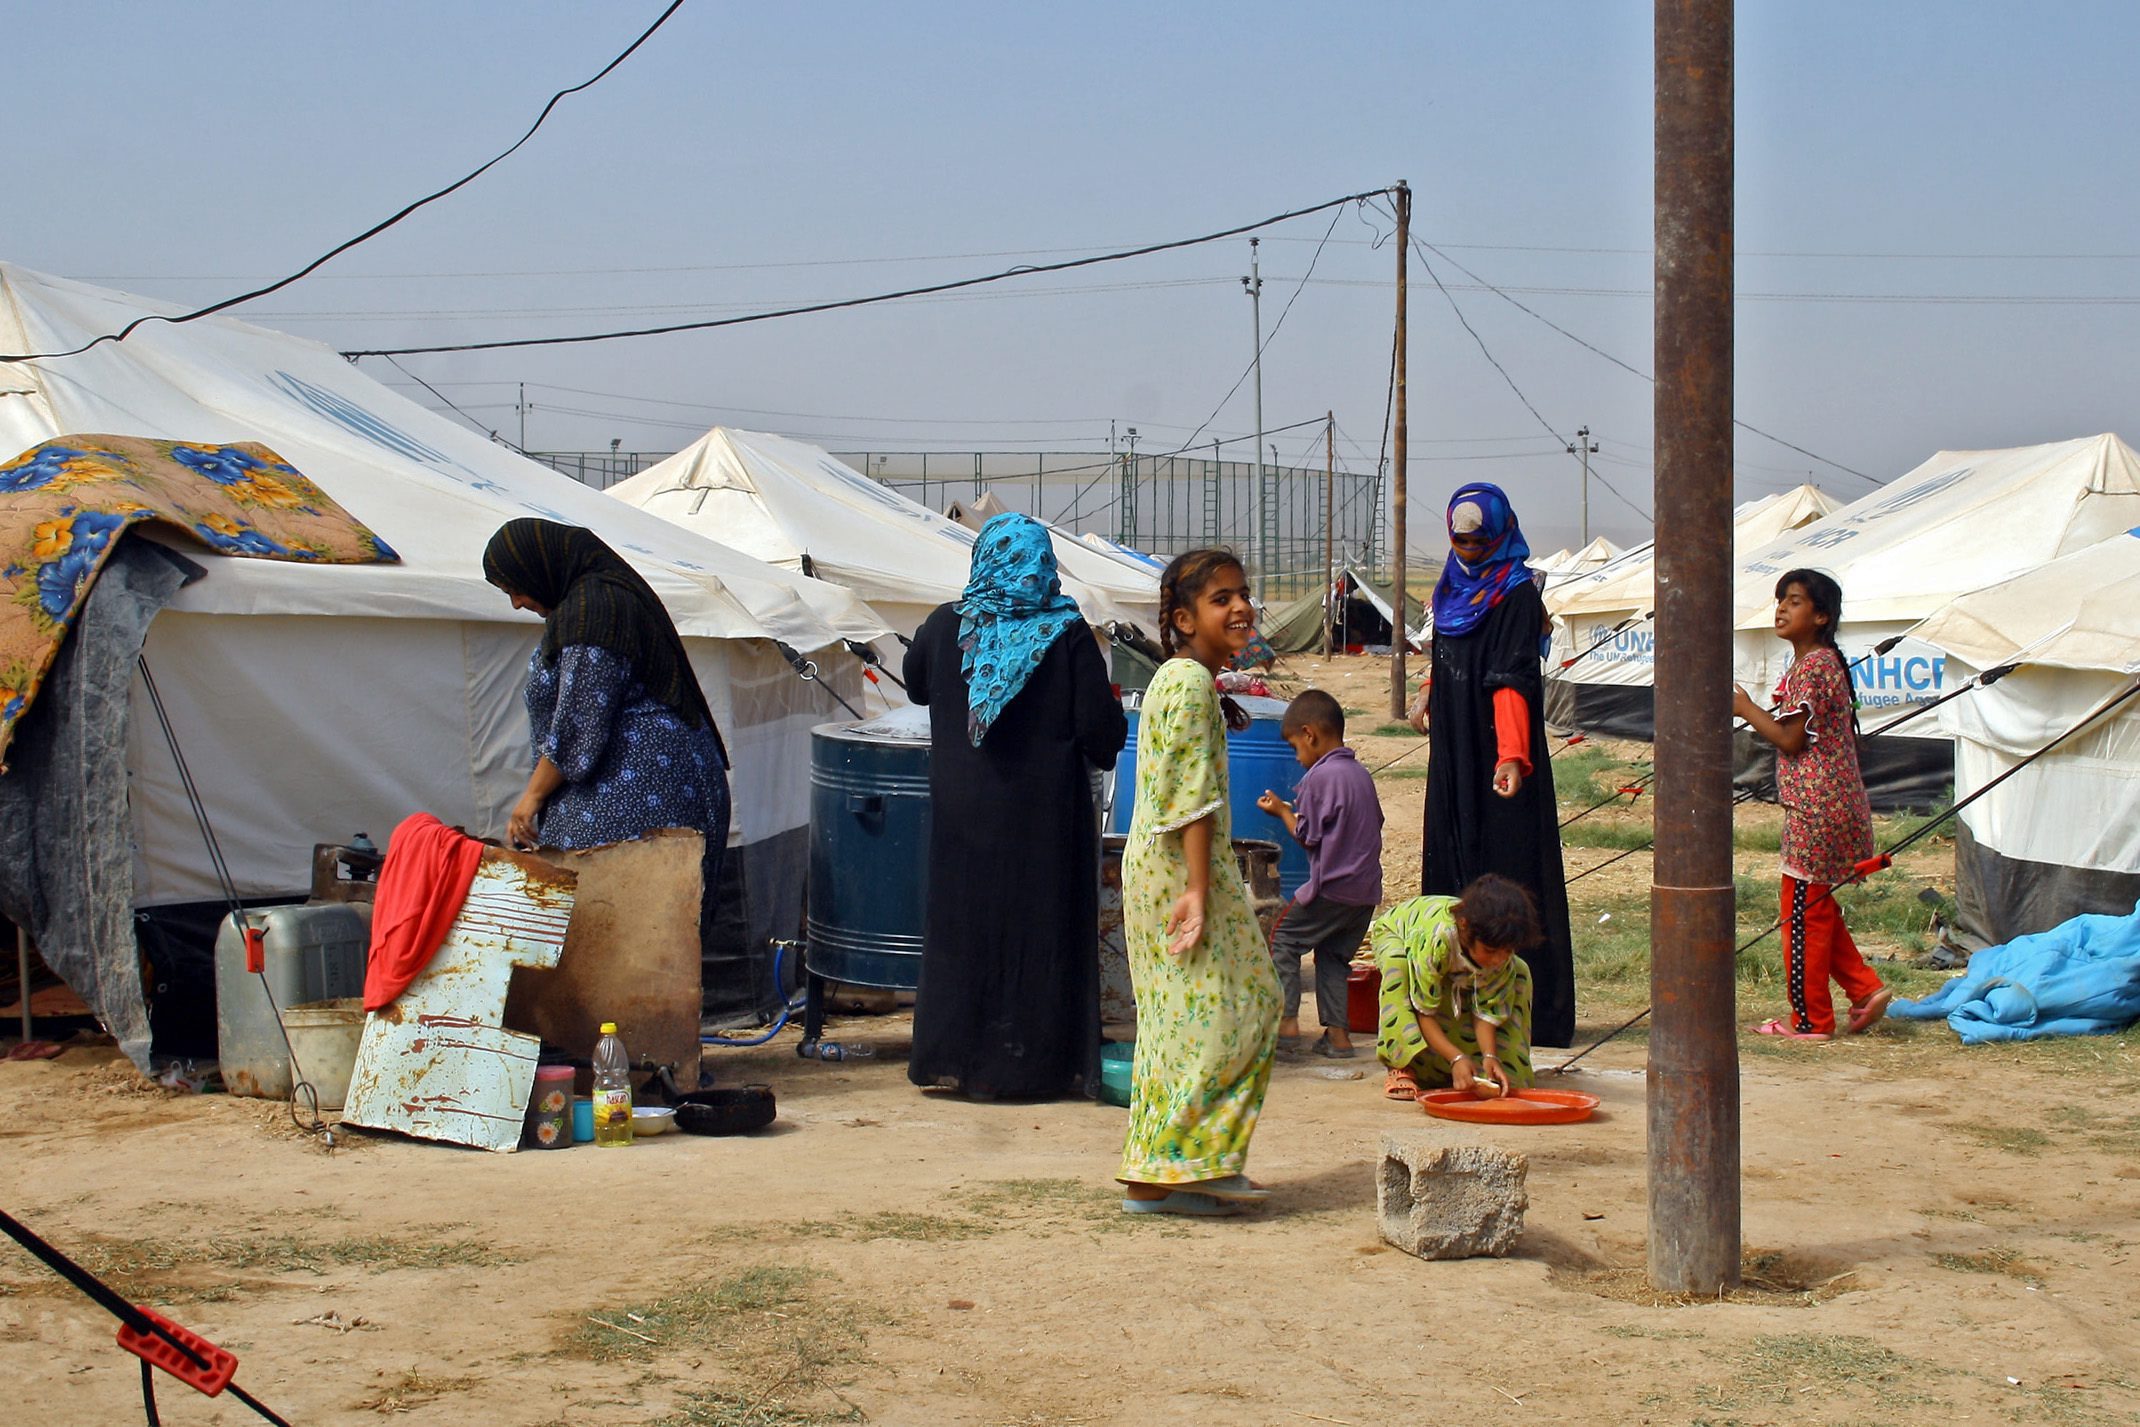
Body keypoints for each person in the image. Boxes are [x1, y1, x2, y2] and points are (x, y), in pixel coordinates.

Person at [903, 513, 1128, 1099]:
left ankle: (954, 1060)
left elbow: (916, 684)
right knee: (1040, 936)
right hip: (1043, 828)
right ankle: (1033, 1068)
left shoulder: (942, 627)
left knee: (962, 932)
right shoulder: (1068, 634)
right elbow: (1102, 736)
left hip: (961, 826)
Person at [1117, 548, 1282, 1217]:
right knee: (1243, 1003)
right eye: (1221, 599)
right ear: (1184, 618)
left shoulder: (1187, 679)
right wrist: (1196, 887)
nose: (1240, 607)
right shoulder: (1185, 682)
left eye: (1242, 594)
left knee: (1177, 1021)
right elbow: (1189, 793)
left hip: (1173, 868)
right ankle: (1192, 1158)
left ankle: (1154, 1175)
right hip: (1179, 873)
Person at [481, 517, 732, 903]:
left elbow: (580, 719)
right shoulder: (596, 600)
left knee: (623, 931)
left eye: (515, 589)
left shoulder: (593, 610)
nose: (517, 603)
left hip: (638, 802)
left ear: (537, 568)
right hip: (656, 791)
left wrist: (530, 798)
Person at [1408, 482, 1575, 1048]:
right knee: (1452, 853)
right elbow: (1446, 650)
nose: (1470, 549)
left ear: (1501, 533)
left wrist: (1511, 755)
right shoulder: (1451, 585)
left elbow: (1511, 678)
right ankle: (1449, 1004)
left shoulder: (1517, 593)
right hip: (1452, 747)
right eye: (1460, 540)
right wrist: (1429, 691)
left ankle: (1524, 1011)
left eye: (1479, 541)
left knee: (1504, 863)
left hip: (1499, 753)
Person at [1733, 568, 1889, 1040]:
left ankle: (1811, 1019)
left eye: (1795, 601)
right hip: (1832, 801)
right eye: (1780, 598)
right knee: (1814, 905)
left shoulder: (1815, 666)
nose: (1782, 607)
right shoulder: (1816, 664)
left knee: (1800, 911)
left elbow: (1790, 739)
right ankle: (1864, 987)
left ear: (1821, 616)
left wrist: (1743, 707)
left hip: (1817, 806)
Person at [1255, 689, 1383, 1060]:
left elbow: (1307, 836)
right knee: (1332, 957)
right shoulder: (1360, 774)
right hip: (1365, 891)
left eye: (1296, 747)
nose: (1298, 757)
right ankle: (1338, 1037)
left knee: (1285, 940)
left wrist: (1281, 811)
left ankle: (1287, 1026)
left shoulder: (1317, 778)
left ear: (1310, 734)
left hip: (1332, 887)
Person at [1371, 875, 1540, 1100]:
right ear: (1464, 927)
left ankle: (1481, 1069)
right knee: (1398, 967)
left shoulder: (1498, 948)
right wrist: (1456, 1058)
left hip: (1450, 948)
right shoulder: (1437, 940)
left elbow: (1487, 1012)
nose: (1498, 959)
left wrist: (1490, 1056)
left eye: (1507, 951)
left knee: (1519, 970)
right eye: (1490, 951)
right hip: (1397, 932)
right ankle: (1402, 1064)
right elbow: (1424, 1009)